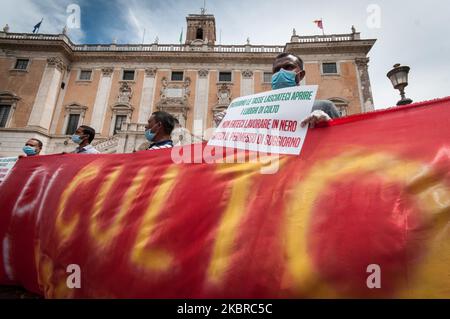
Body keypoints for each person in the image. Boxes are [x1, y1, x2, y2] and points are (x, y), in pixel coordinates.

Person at [214, 52, 341, 128]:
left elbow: (346, 147)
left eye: (288, 67)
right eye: (276, 70)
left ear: (301, 75)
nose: (281, 72)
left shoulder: (325, 107)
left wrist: (329, 124)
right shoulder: (258, 114)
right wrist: (226, 126)